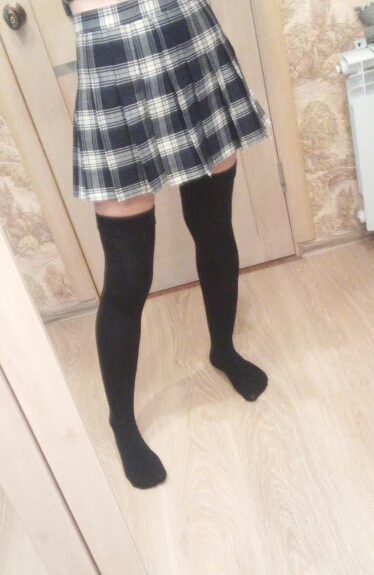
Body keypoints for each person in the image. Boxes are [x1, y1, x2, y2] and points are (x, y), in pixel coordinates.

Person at [64, 0, 271, 489]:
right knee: (128, 275)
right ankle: (121, 421)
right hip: (111, 63)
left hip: (189, 41)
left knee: (214, 230)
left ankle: (223, 350)